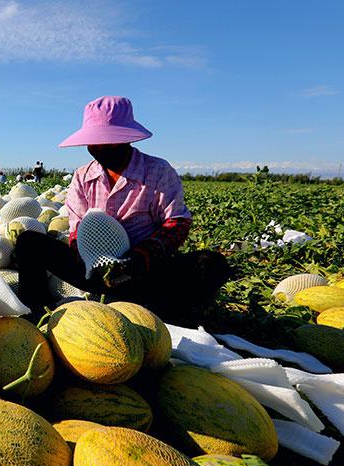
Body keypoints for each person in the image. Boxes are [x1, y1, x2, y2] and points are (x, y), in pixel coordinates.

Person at [15, 96, 230, 323]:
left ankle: (159, 314)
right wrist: (88, 259)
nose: (99, 149)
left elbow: (177, 222)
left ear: (127, 139)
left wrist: (140, 257)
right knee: (29, 243)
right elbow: (77, 227)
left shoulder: (157, 171)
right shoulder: (83, 176)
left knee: (211, 265)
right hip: (93, 271)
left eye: (108, 143)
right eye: (94, 143)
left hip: (144, 272)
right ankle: (38, 315)